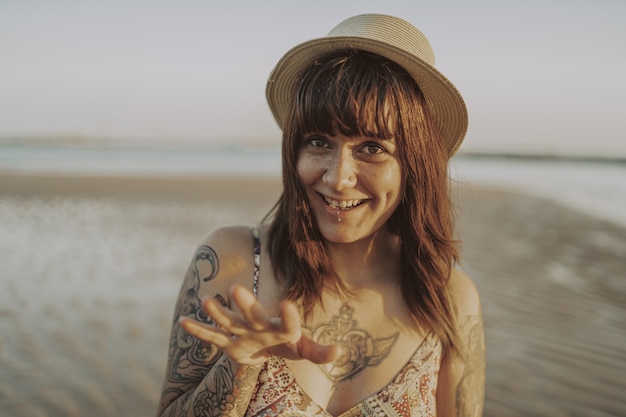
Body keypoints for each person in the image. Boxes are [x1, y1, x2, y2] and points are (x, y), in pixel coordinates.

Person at [157, 13, 485, 417]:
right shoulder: (233, 261)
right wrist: (241, 362)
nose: (337, 177)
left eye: (372, 147)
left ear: (415, 165)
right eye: (318, 141)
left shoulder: (449, 298)